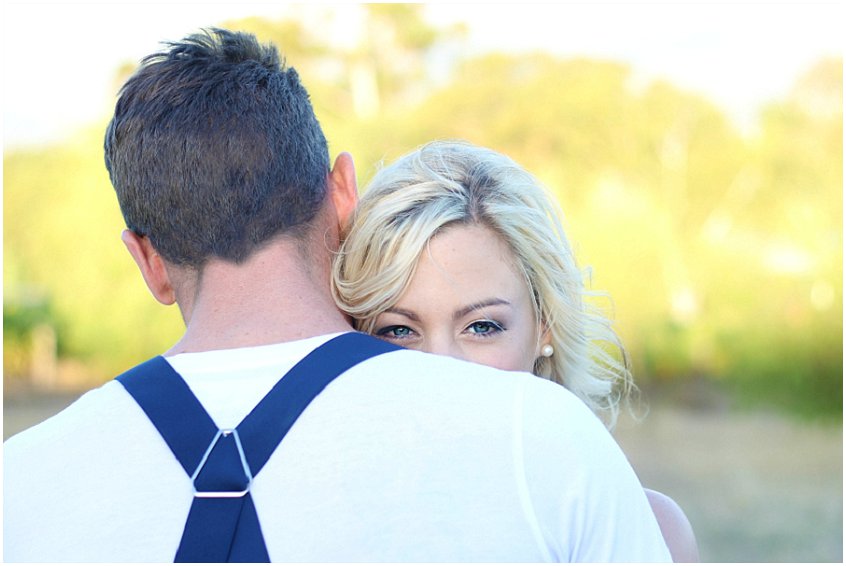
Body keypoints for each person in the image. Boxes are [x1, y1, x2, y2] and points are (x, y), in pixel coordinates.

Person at [3, 29, 671, 562]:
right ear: (344, 194)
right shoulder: (545, 439)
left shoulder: (20, 485)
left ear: (147, 260)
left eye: (482, 326)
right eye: (400, 327)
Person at [333, 140, 699, 562]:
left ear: (545, 324)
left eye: (481, 327)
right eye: (399, 330)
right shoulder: (320, 519)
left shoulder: (649, 529)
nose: (440, 366)